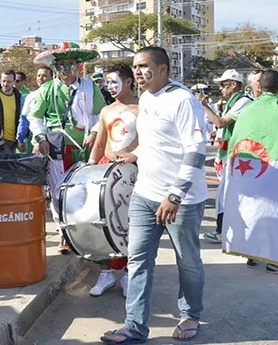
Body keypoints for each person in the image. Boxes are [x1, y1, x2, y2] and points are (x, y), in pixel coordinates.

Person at [101, 47, 207, 344]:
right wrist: (133, 155)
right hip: (145, 195)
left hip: (181, 201)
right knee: (138, 261)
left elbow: (196, 151)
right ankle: (134, 326)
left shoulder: (183, 100)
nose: (137, 72)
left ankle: (190, 314)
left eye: (144, 66)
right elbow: (153, 143)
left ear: (163, 69)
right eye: (135, 66)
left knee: (187, 261)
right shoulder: (146, 98)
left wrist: (174, 196)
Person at [221, 70, 278, 276]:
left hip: (249, 173)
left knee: (254, 212)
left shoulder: (248, 110)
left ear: (260, 87)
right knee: (275, 215)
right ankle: (275, 261)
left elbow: (236, 141)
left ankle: (253, 254)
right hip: (276, 174)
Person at [28, 43, 104, 253]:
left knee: (85, 191)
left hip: (85, 148)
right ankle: (64, 234)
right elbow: (35, 118)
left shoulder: (90, 88)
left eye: (70, 66)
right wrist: (40, 137)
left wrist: (94, 133)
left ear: (78, 67)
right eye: (61, 67)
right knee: (58, 191)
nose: (66, 71)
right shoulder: (47, 89)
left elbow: (100, 115)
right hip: (56, 148)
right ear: (55, 68)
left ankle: (85, 233)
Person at [86, 64, 139, 298]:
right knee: (100, 222)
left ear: (128, 81)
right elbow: (99, 142)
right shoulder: (106, 110)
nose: (110, 86)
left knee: (129, 224)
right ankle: (106, 272)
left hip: (134, 171)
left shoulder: (144, 108)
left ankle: (128, 273)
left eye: (114, 80)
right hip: (105, 170)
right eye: (108, 81)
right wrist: (89, 166)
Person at [200, 69, 251, 244]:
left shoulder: (243, 101)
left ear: (234, 85)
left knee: (224, 196)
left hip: (234, 155)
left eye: (223, 85)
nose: (220, 89)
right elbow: (222, 126)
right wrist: (217, 132)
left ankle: (223, 230)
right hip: (227, 154)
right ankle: (226, 229)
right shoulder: (233, 101)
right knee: (224, 195)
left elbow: (221, 122)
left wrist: (205, 106)